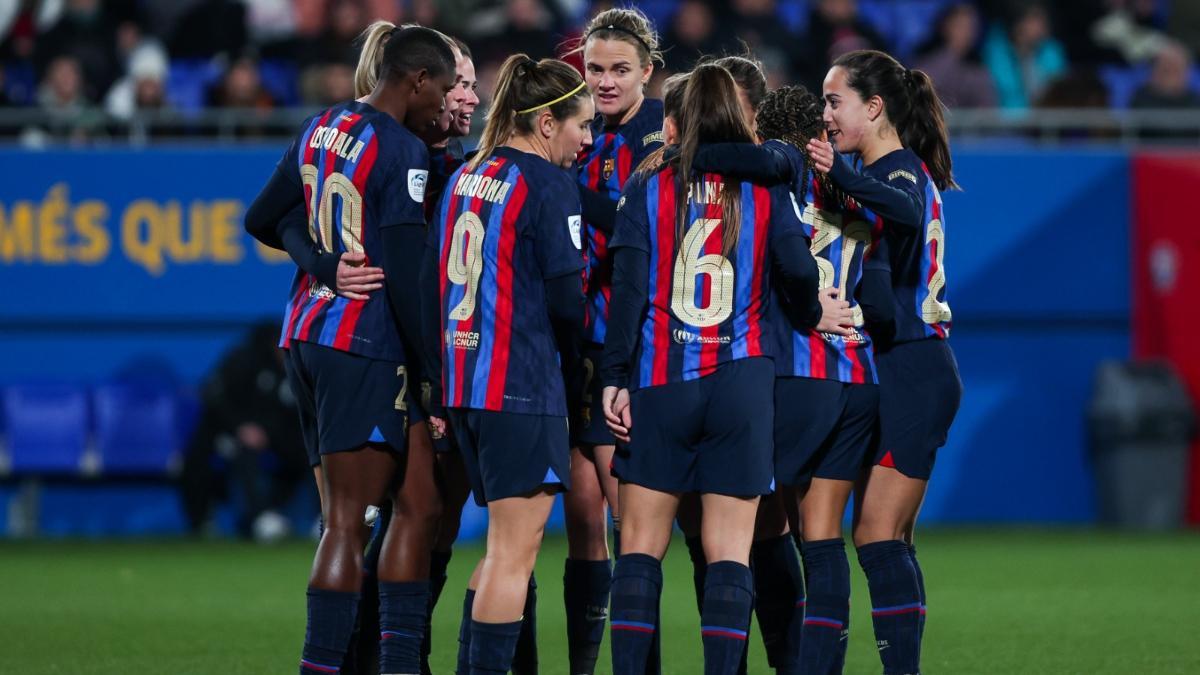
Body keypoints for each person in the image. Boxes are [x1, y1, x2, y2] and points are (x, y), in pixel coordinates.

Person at [599, 63, 822, 675]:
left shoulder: (648, 185)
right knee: (730, 552)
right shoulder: (767, 187)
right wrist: (805, 314)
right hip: (742, 380)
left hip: (663, 376)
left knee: (640, 549)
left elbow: (625, 294)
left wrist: (614, 376)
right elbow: (801, 273)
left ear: (678, 120)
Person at [247, 24, 457, 675]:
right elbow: (402, 275)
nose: (446, 104)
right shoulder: (402, 152)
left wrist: (320, 262)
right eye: (443, 89)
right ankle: (324, 666)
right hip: (363, 342)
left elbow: (262, 217)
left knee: (414, 506)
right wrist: (434, 380)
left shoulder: (322, 126)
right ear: (416, 80)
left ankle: (394, 664)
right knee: (348, 521)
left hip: (307, 334)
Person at [423, 53, 592, 675]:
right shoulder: (548, 184)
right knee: (514, 557)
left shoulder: (470, 173)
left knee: (499, 552)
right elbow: (568, 304)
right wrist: (579, 376)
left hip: (466, 384)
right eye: (581, 124)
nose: (588, 139)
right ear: (546, 124)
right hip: (519, 386)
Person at [807, 49, 963, 675]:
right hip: (900, 368)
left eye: (833, 101)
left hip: (915, 368)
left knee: (875, 535)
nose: (825, 116)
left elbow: (902, 210)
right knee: (888, 538)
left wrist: (839, 180)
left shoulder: (896, 171)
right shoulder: (881, 172)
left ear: (873, 109)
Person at [566, 8, 664, 674]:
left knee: (635, 526)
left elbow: (644, 222)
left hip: (624, 348)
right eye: (594, 68)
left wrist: (560, 192)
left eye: (618, 69)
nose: (603, 82)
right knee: (582, 521)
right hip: (571, 345)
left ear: (646, 72)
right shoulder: (578, 132)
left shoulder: (660, 134)